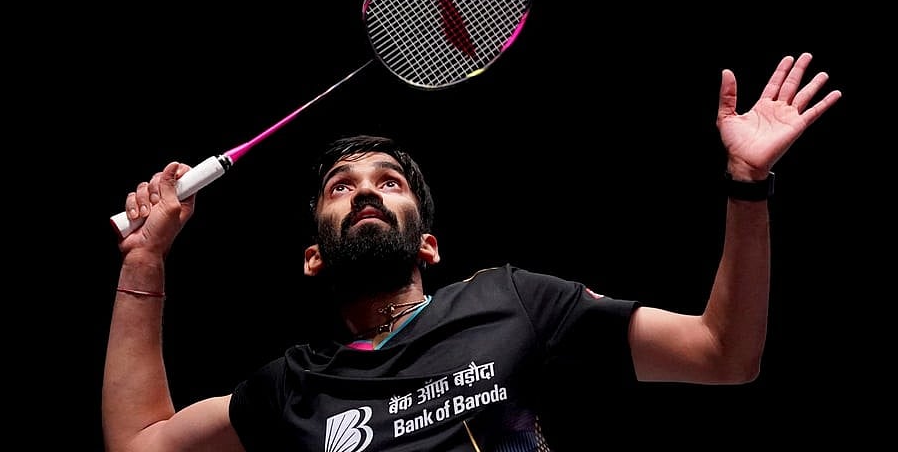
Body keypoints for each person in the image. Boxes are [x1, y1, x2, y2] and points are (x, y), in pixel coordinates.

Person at [103, 52, 841, 451]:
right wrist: (145, 262)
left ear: (427, 241)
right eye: (340, 187)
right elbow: (139, 441)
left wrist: (747, 188)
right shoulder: (287, 391)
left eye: (388, 182)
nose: (364, 192)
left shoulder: (511, 301)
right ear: (313, 258)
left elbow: (723, 353)